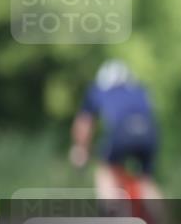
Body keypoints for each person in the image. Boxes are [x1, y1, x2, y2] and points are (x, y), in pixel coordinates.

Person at [70, 59, 164, 206]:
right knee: (146, 180)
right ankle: (163, 223)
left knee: (105, 171)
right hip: (149, 132)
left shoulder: (98, 89)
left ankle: (111, 216)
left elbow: (84, 124)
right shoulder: (139, 89)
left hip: (122, 130)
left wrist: (81, 148)